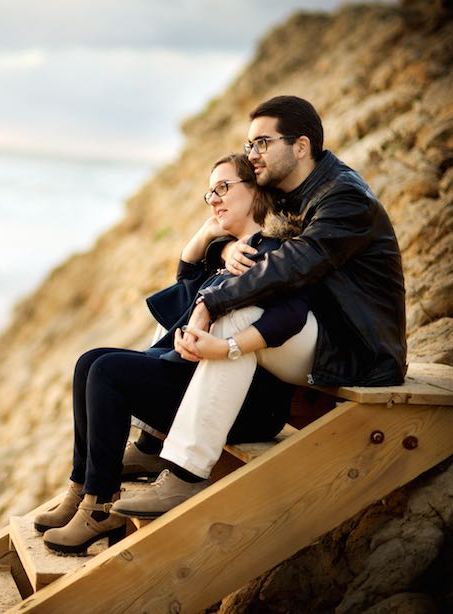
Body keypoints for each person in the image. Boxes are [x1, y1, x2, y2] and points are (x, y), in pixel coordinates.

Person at [109, 95, 406, 521]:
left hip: (356, 348)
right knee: (186, 309)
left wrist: (211, 303)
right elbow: (254, 244)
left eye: (262, 143)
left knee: (236, 317)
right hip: (307, 327)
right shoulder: (285, 191)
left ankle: (186, 473)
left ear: (300, 146)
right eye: (250, 146)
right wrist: (226, 247)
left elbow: (295, 263)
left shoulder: (345, 200)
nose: (253, 155)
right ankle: (153, 442)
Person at [37, 152, 311, 555]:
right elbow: (186, 286)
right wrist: (204, 239)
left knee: (108, 372)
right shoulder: (233, 251)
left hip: (246, 402)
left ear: (256, 191)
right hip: (202, 382)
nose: (214, 198)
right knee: (89, 362)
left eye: (224, 188)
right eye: (210, 192)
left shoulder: (270, 254)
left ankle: (98, 505)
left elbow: (289, 311)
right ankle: (81, 491)